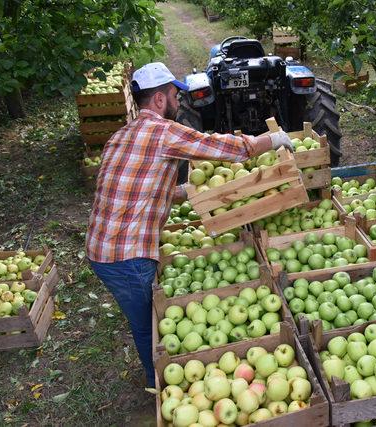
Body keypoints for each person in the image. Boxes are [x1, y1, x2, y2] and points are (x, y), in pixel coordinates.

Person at [85, 62, 292, 387]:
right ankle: (162, 387)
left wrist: (204, 192)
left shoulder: (121, 136)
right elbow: (222, 148)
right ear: (158, 100)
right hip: (125, 255)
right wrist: (271, 139)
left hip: (104, 248)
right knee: (150, 327)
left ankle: (159, 378)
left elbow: (149, 188)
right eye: (173, 95)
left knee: (148, 321)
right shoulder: (162, 131)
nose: (179, 102)